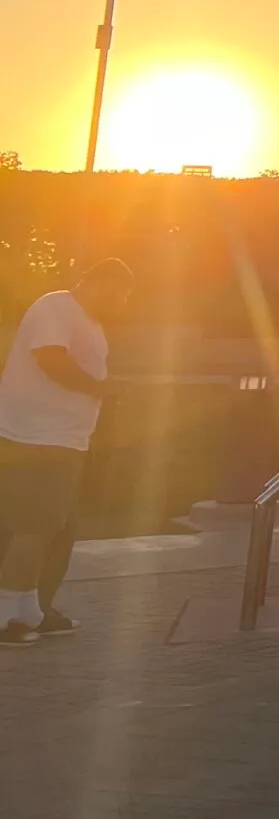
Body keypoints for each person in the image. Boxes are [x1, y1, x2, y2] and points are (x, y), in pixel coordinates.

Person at [0, 259, 132, 643]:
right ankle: (6, 614)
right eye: (122, 294)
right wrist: (104, 389)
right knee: (35, 526)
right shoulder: (56, 307)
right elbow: (51, 361)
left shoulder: (88, 321)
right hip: (38, 439)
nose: (123, 304)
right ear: (104, 282)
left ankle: (30, 608)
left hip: (66, 440)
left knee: (57, 528)